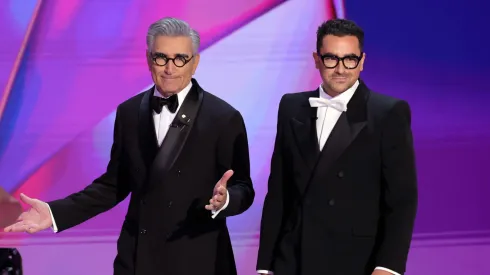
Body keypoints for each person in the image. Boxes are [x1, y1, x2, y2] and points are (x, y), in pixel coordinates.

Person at [4, 17, 255, 275]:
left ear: (195, 63)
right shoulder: (129, 112)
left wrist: (225, 201)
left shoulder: (223, 117)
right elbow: (113, 185)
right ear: (148, 59)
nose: (170, 68)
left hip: (198, 258)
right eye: (161, 58)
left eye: (180, 58)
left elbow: (243, 188)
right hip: (138, 258)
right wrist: (54, 213)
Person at [256, 19, 417, 275]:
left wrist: (388, 267)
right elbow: (278, 193)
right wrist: (265, 266)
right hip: (292, 259)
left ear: (362, 61)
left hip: (355, 262)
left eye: (350, 59)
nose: (341, 69)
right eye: (331, 58)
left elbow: (401, 199)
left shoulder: (387, 113)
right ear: (317, 59)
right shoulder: (291, 106)